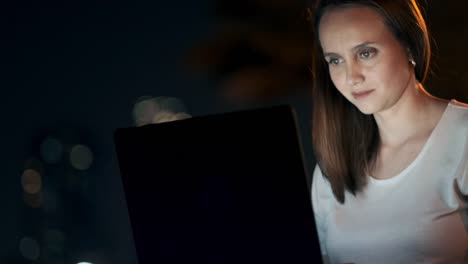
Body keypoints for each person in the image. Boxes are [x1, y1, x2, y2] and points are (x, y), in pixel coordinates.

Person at [309, 0, 468, 263]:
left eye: (366, 53)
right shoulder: (333, 165)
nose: (352, 77)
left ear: (408, 45)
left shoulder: (462, 137)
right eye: (335, 60)